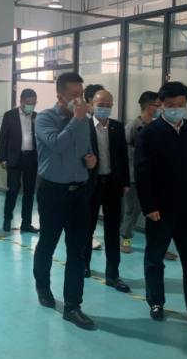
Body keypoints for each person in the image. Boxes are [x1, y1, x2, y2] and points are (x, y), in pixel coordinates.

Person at [134, 82, 187, 328]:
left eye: (181, 105)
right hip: (160, 210)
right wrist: (149, 206)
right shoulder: (149, 133)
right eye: (170, 105)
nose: (176, 109)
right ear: (160, 105)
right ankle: (156, 302)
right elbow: (142, 171)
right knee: (155, 258)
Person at [33, 72, 97, 330]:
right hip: (53, 192)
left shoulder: (84, 120)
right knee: (48, 243)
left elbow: (87, 148)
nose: (79, 100)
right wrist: (77, 119)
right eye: (74, 95)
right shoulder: (44, 118)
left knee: (78, 250)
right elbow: (57, 145)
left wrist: (91, 158)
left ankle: (72, 306)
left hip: (79, 192)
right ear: (60, 96)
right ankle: (42, 286)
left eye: (81, 94)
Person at [122, 91, 179, 261]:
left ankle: (160, 247)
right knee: (132, 211)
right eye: (158, 105)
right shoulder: (134, 125)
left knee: (158, 214)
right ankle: (125, 239)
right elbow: (124, 148)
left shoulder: (157, 126)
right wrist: (142, 153)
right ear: (149, 107)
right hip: (135, 178)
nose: (160, 108)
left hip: (155, 179)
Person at [84, 89, 131, 293]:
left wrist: (125, 182)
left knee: (112, 231)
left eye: (108, 105)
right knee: (87, 228)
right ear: (91, 105)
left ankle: (113, 274)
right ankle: (84, 265)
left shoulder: (117, 127)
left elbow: (123, 156)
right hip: (91, 185)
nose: (104, 108)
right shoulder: (83, 126)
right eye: (100, 105)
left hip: (112, 185)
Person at [0, 88, 39, 234]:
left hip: (31, 158)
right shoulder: (9, 116)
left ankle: (26, 223)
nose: (31, 106)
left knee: (29, 192)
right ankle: (7, 219)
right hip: (14, 158)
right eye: (29, 103)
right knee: (13, 189)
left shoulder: (37, 117)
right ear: (21, 102)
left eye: (34, 103)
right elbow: (3, 139)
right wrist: (3, 158)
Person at [83, 83, 105, 252]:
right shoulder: (82, 123)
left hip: (105, 178)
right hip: (87, 177)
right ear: (91, 101)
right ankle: (88, 237)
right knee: (87, 212)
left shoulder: (110, 125)